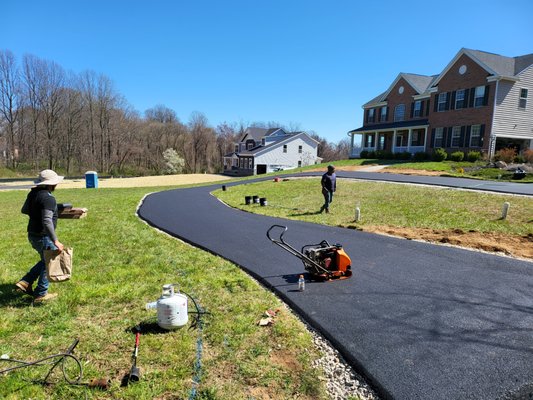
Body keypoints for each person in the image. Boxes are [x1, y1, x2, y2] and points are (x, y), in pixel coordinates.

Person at [15, 169, 64, 303]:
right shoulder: (48, 199)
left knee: (44, 260)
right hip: (43, 236)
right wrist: (56, 240)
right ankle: (41, 293)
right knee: (49, 262)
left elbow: (24, 209)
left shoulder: (33, 194)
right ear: (50, 184)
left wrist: (42, 210)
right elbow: (47, 221)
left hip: (32, 234)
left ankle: (26, 282)